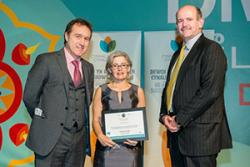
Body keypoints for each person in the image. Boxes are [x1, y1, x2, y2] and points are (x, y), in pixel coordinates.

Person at [159, 5, 232, 167]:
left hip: (200, 137)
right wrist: (164, 115)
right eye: (180, 20)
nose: (184, 24)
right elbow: (170, 89)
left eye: (189, 19)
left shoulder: (212, 49)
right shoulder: (178, 54)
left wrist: (180, 119)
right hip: (176, 136)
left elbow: (210, 91)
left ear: (200, 22)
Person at [23, 18, 94, 167]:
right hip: (50, 138)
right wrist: (46, 119)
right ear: (66, 36)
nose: (82, 42)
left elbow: (87, 101)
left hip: (78, 141)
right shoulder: (46, 60)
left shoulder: (88, 68)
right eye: (78, 36)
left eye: (86, 38)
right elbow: (30, 97)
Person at [92, 50, 145, 167]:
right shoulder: (101, 90)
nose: (120, 69)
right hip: (106, 149)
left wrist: (138, 138)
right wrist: (100, 136)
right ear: (110, 69)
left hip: (131, 150)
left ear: (129, 68)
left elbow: (141, 122)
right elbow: (96, 120)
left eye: (123, 65)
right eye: (115, 65)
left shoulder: (138, 91)